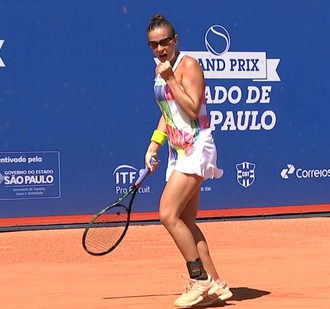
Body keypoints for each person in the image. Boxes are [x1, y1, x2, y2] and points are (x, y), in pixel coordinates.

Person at [145, 14, 233, 308]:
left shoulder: (188, 65)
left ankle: (199, 279)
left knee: (167, 214)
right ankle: (216, 283)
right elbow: (168, 112)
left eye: (164, 42)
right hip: (178, 150)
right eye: (154, 44)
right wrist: (154, 145)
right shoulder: (160, 69)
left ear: (175, 40)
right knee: (186, 220)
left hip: (197, 147)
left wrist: (171, 78)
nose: (160, 49)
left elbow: (194, 109)